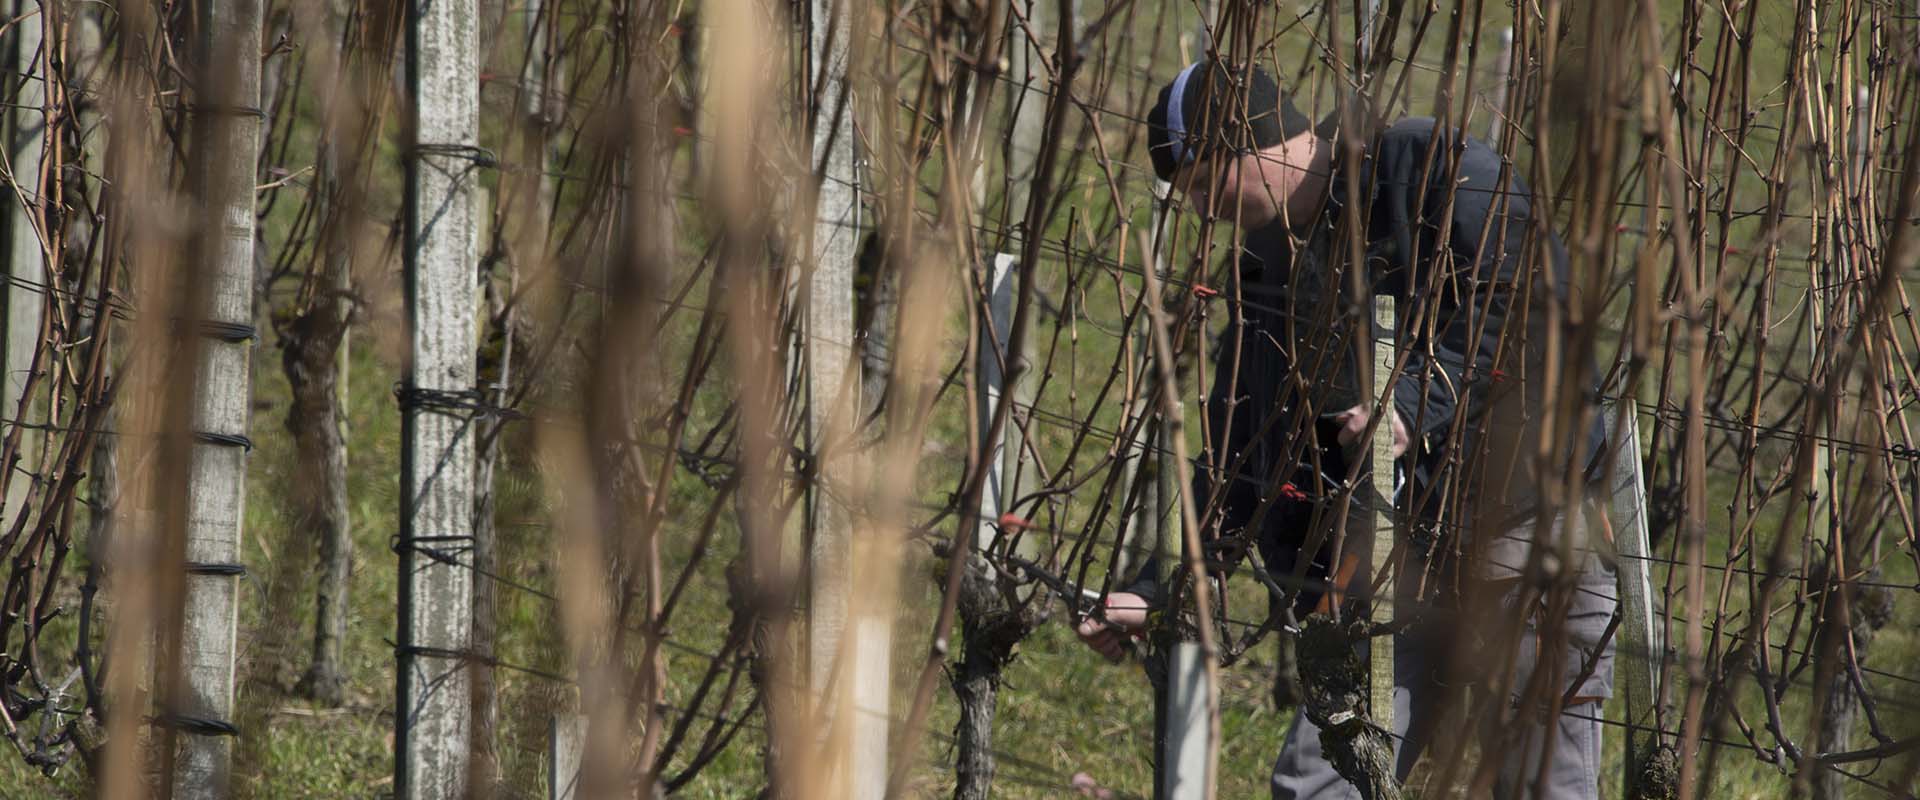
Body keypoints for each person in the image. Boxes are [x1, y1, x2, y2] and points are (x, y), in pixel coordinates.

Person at [1075, 58, 1618, 799]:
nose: (1203, 211)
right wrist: (1159, 587)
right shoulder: (1263, 270)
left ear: (1253, 138)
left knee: (1538, 785)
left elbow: (1531, 302)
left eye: (1205, 184)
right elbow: (1241, 454)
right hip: (1386, 563)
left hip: (1517, 533)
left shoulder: (1427, 170)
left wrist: (1415, 396)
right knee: (1317, 783)